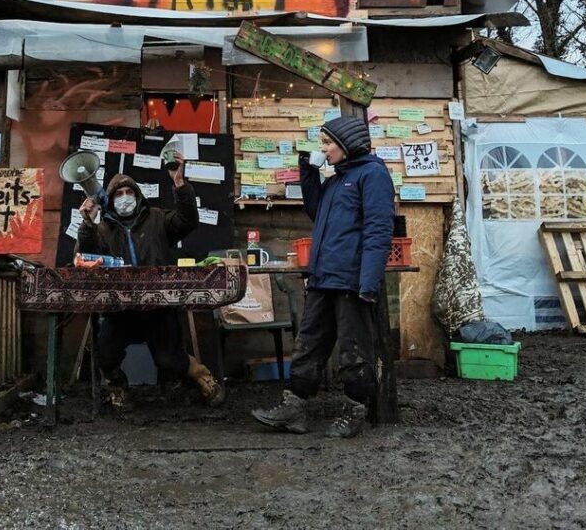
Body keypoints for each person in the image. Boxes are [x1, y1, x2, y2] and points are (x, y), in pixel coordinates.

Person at [252, 115, 395, 438]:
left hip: (351, 280)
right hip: (324, 277)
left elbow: (379, 229)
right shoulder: (337, 178)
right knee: (309, 343)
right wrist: (308, 170)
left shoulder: (372, 175)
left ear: (347, 144)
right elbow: (317, 211)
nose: (325, 149)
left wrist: (368, 281)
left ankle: (355, 411)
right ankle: (294, 407)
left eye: (328, 143)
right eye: (323, 144)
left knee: (352, 348)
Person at [77, 151, 225, 408]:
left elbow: (188, 221)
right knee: (106, 354)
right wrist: (87, 223)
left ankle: (202, 375)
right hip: (119, 308)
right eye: (118, 194)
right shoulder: (103, 230)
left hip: (158, 307)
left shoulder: (157, 218)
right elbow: (86, 254)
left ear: (138, 196)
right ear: (110, 201)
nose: (125, 198)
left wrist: (180, 184)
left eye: (129, 193)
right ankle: (117, 387)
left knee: (170, 359)